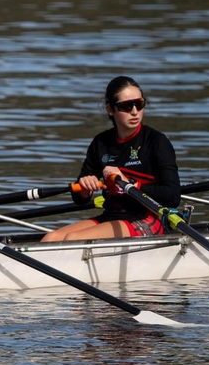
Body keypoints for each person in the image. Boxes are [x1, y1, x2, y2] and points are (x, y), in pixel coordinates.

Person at [42, 75, 180, 242]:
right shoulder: (101, 143)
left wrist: (129, 183)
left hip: (147, 217)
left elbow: (173, 196)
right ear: (110, 109)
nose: (134, 111)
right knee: (50, 238)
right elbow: (79, 199)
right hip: (112, 215)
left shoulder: (157, 142)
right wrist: (85, 188)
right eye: (127, 106)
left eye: (139, 104)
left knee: (73, 238)